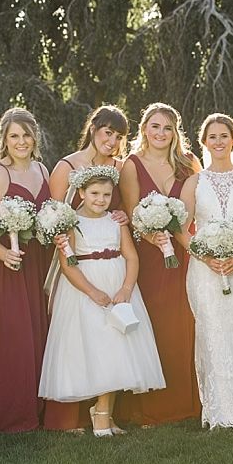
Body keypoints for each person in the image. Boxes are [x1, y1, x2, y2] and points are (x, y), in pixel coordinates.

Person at [38, 166, 166, 437]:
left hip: (118, 285)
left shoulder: (116, 221)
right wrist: (91, 291)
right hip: (86, 289)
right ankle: (100, 414)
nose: (100, 199)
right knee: (99, 349)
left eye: (107, 195)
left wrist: (126, 289)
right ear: (81, 192)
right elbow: (67, 265)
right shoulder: (71, 223)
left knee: (120, 347)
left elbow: (131, 256)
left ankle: (103, 412)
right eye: (94, 193)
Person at [43, 104, 130, 432]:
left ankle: (105, 412)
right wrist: (65, 246)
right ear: (94, 129)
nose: (112, 141)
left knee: (112, 337)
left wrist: (124, 217)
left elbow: (122, 207)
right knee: (78, 338)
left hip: (111, 259)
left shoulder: (120, 166)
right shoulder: (67, 165)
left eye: (119, 136)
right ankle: (70, 417)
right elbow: (55, 215)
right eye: (108, 132)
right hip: (76, 261)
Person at [118, 103, 203, 426]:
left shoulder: (189, 163)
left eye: (167, 128)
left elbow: (194, 210)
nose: (161, 134)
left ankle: (187, 400)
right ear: (144, 129)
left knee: (186, 321)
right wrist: (151, 236)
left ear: (175, 132)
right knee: (155, 323)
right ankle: (152, 405)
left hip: (183, 253)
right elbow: (131, 214)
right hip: (151, 257)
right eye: (155, 127)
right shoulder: (132, 164)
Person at [0, 107, 51, 433]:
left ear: (35, 137)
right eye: (14, 136)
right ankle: (10, 413)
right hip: (2, 267)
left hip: (35, 264)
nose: (21, 142)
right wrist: (3, 253)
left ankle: (38, 407)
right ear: (4, 139)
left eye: (26, 135)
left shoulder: (42, 170)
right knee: (12, 338)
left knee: (35, 333)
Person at [178, 113, 233, 429]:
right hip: (204, 270)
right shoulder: (194, 182)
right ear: (204, 142)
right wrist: (204, 255)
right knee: (212, 330)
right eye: (212, 136)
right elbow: (182, 228)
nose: (218, 141)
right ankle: (218, 409)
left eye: (224, 135)